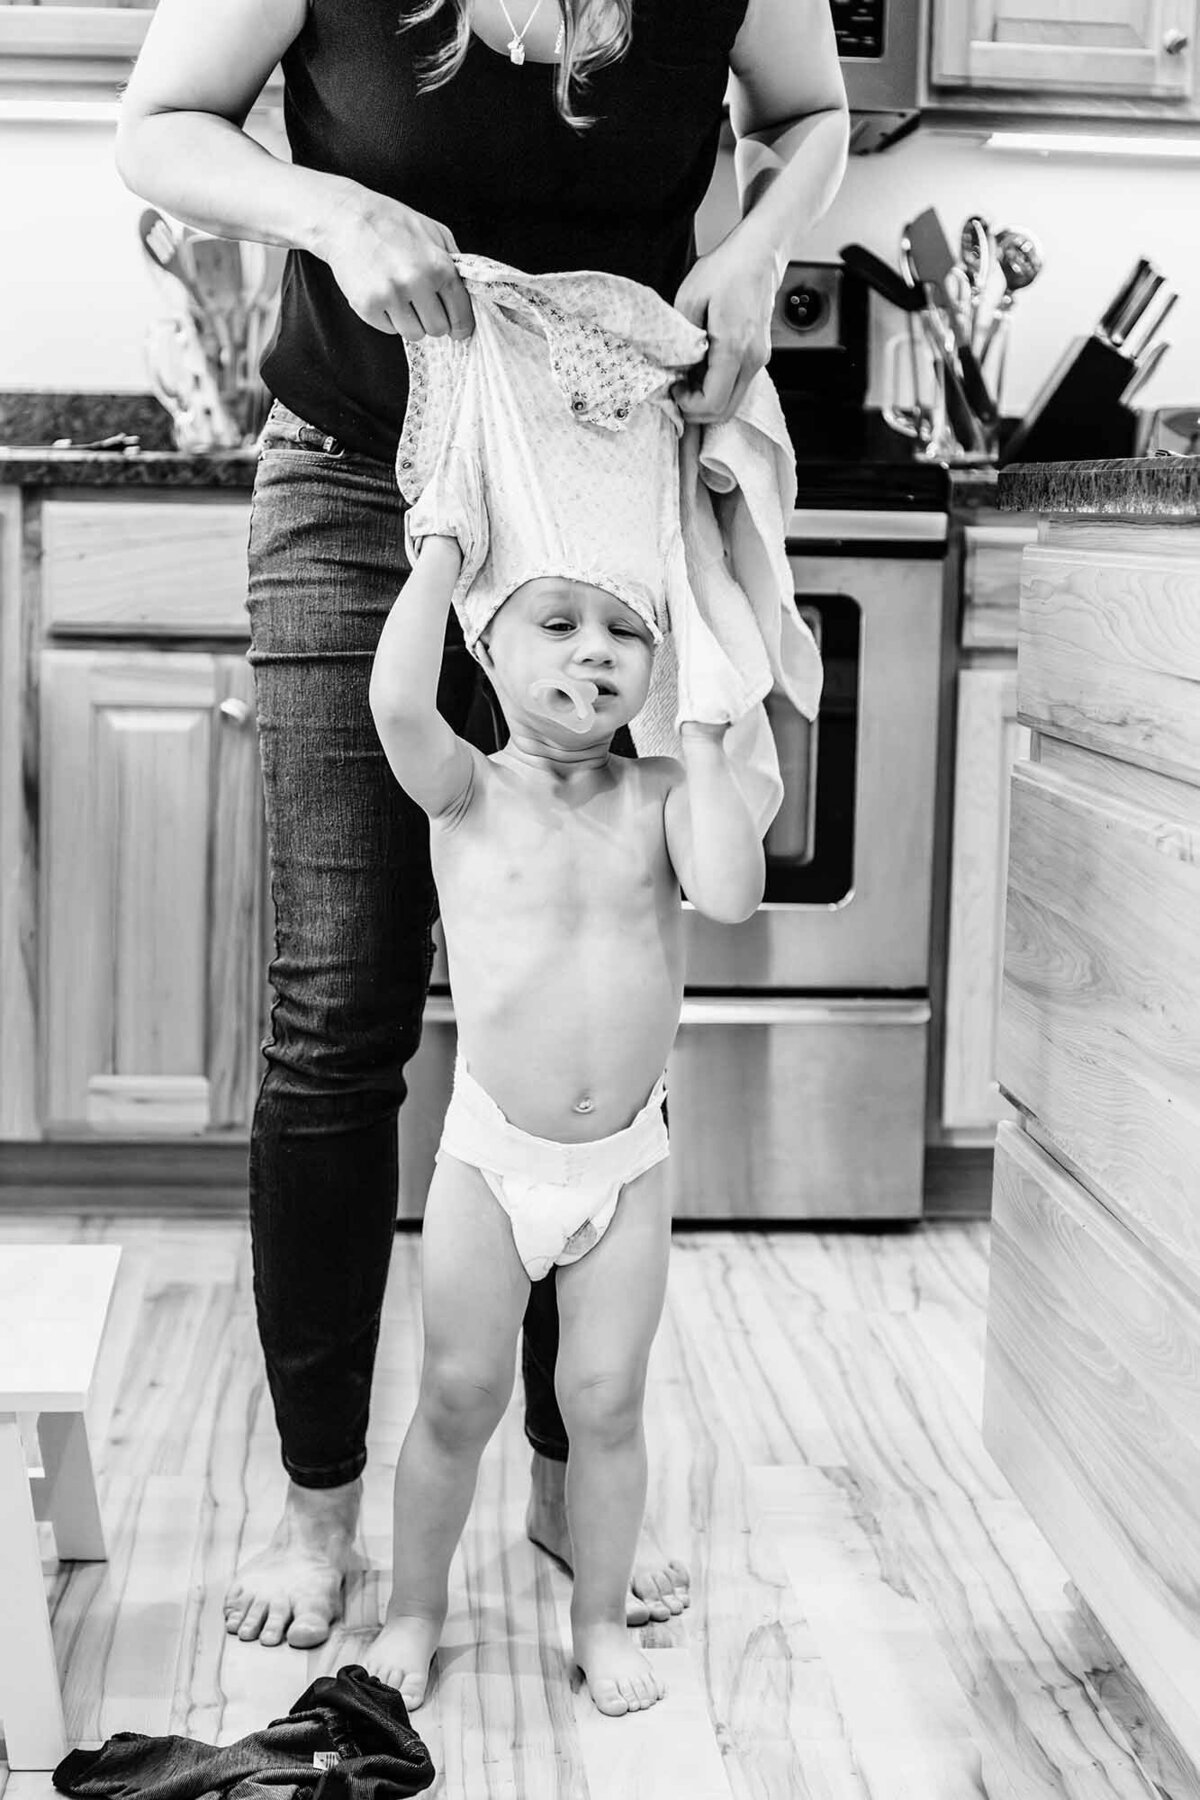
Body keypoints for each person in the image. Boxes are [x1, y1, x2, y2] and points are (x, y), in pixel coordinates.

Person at [114, 0, 849, 1652]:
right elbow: (158, 121)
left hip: (604, 504)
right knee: (337, 1008)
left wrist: (756, 249)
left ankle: (561, 1464)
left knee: (588, 975)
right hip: (370, 485)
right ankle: (320, 1515)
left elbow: (810, 118)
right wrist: (332, 209)